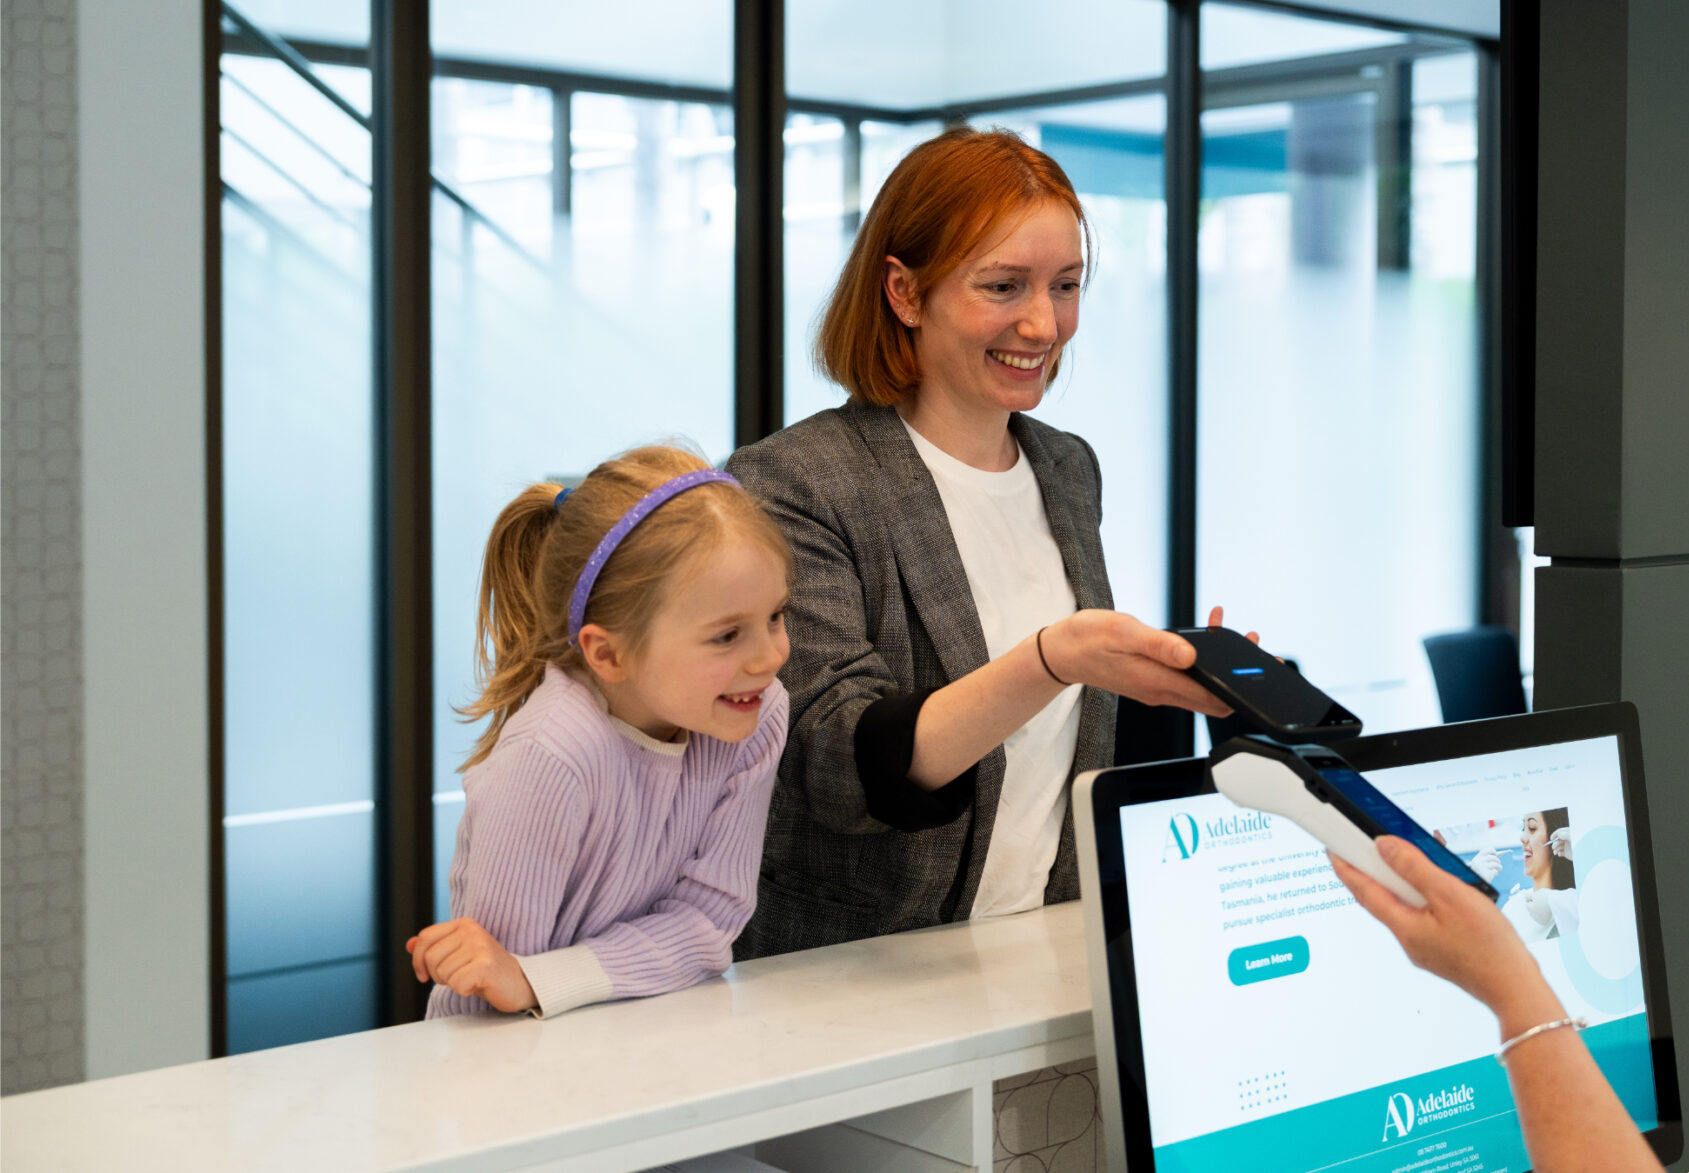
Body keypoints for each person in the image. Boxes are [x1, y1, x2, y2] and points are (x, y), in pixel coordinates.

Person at [728, 127, 1235, 958]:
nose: (1043, 323)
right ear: (904, 291)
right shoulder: (794, 482)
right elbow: (837, 764)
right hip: (855, 972)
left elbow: (1066, 748)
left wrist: (1171, 671)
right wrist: (1054, 659)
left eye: (1065, 285)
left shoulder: (1067, 469)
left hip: (1046, 944)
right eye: (1004, 286)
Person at [408, 444, 793, 1018]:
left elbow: (709, 925)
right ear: (608, 654)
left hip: (637, 1044)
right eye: (726, 635)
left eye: (775, 616)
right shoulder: (549, 756)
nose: (770, 658)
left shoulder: (756, 714)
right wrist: (529, 981)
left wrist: (540, 981)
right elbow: (493, 991)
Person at [1333, 836, 1666, 1173]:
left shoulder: (1555, 906)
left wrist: (1509, 981)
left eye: (1533, 827)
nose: (1524, 837)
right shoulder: (1521, 905)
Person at [1472, 808, 1579, 941]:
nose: (1522, 838)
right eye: (1523, 828)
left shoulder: (1573, 908)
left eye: (1532, 828)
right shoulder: (1515, 905)